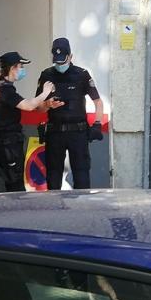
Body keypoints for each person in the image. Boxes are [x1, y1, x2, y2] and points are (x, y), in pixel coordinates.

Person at [0, 52, 56, 192]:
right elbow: (28, 106)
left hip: (2, 142)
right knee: (15, 185)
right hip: (9, 145)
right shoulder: (6, 90)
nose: (22, 70)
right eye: (21, 66)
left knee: (11, 181)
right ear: (12, 68)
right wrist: (45, 93)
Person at [36, 38, 104, 190]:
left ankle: (82, 205)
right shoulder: (46, 75)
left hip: (78, 133)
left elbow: (98, 102)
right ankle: (55, 205)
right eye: (57, 62)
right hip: (55, 133)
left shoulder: (82, 75)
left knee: (82, 177)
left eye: (63, 61)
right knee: (53, 178)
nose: (60, 65)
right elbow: (38, 108)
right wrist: (47, 105)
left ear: (70, 56)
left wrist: (97, 124)